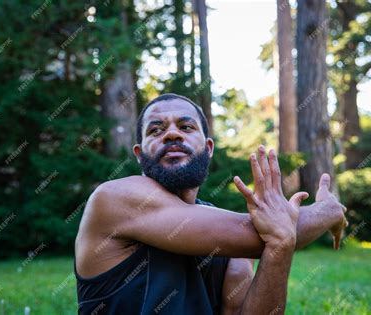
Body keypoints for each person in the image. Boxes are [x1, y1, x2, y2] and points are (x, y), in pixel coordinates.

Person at [74, 93, 347, 314]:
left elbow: (270, 237)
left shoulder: (226, 237)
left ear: (208, 148)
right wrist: (328, 210)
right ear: (139, 153)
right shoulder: (113, 198)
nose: (171, 135)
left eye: (186, 127)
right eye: (156, 130)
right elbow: (264, 233)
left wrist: (277, 243)